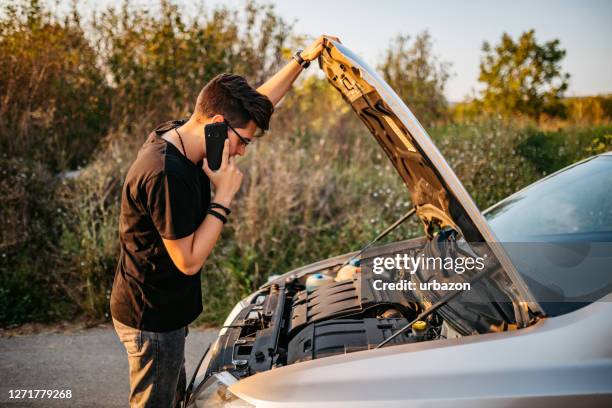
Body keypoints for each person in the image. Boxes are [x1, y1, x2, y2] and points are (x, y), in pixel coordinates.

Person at [110, 35, 339, 407]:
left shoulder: (187, 134)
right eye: (244, 141)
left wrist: (301, 60)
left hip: (166, 308)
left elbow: (258, 105)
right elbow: (188, 260)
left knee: (172, 397)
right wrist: (225, 195)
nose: (244, 151)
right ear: (217, 123)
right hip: (151, 317)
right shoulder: (165, 173)